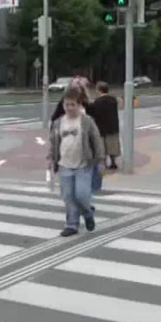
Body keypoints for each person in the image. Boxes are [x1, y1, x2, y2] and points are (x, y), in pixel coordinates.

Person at [48, 87, 105, 237]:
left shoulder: (86, 121)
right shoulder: (58, 123)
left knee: (82, 195)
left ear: (79, 105)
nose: (69, 108)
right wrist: (51, 159)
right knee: (68, 197)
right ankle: (72, 225)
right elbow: (54, 143)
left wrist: (100, 161)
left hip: (83, 165)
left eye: (73, 104)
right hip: (64, 165)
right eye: (66, 104)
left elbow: (97, 141)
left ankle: (87, 212)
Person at [92, 82, 120, 171]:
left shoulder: (97, 101)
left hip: (101, 126)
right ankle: (113, 162)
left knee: (102, 146)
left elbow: (95, 113)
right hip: (113, 126)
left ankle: (104, 163)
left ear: (99, 90)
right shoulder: (113, 100)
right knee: (113, 145)